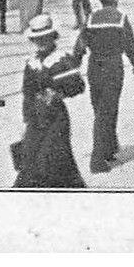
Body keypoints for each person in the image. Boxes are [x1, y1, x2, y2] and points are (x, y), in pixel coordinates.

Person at [72, 0, 134, 174]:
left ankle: (109, 148)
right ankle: (97, 160)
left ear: (101, 1)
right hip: (113, 68)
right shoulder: (120, 18)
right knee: (108, 111)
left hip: (94, 68)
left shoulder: (91, 18)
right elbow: (130, 44)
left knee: (100, 109)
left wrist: (75, 65)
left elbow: (80, 44)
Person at [12, 14, 87, 189]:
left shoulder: (61, 59)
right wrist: (27, 119)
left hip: (55, 119)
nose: (41, 43)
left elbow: (78, 85)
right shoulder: (32, 62)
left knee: (53, 159)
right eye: (37, 39)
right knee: (30, 160)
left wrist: (57, 92)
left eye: (45, 38)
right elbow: (28, 92)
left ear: (53, 38)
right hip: (36, 118)